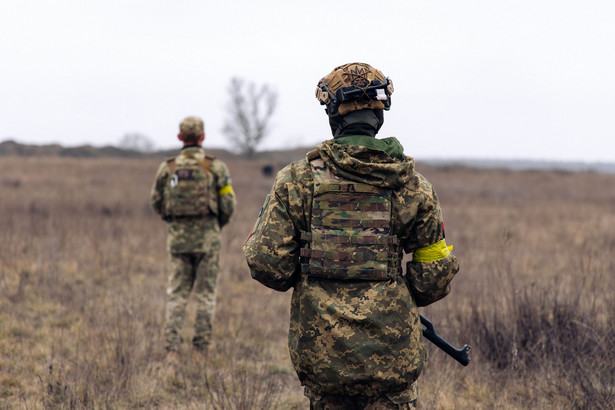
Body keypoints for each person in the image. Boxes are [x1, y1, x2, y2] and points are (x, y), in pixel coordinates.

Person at [243, 63, 460, 409]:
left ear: (332, 115)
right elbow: (430, 282)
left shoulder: (296, 180)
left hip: (323, 363)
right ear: (380, 116)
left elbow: (269, 266)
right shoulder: (415, 186)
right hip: (392, 364)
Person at [150, 116, 235, 363]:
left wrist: (174, 222)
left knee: (176, 295)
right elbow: (228, 203)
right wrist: (216, 225)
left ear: (180, 138)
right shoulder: (215, 167)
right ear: (202, 137)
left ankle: (172, 351)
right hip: (208, 240)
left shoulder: (168, 167)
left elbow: (156, 201)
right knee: (206, 296)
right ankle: (200, 351)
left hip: (178, 241)